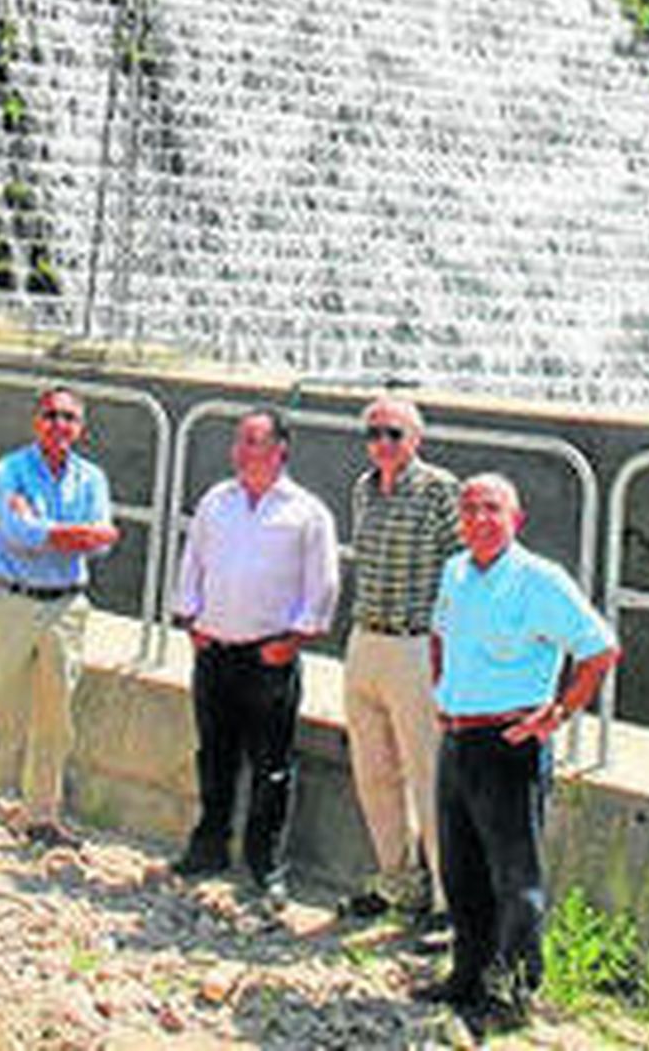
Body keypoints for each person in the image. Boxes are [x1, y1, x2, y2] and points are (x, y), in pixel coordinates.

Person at [419, 473, 620, 1028]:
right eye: (470, 510)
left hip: (510, 744)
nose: (480, 519)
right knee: (461, 870)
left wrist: (556, 714)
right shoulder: (456, 571)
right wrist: (442, 690)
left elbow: (600, 649)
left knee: (515, 877)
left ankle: (512, 992)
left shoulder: (540, 579)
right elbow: (439, 633)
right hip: (457, 738)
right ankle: (467, 975)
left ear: (516, 519)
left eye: (492, 509)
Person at [171, 408, 340, 905]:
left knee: (270, 765)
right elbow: (192, 560)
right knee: (214, 755)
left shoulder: (307, 512)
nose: (241, 451)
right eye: (239, 441)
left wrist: (297, 638)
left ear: (279, 449)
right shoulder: (215, 501)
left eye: (252, 441)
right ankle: (209, 846)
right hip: (214, 648)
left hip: (268, 657)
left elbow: (324, 581)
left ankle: (265, 863)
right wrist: (189, 618)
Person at [0, 386, 119, 853]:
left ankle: (42, 817)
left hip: (66, 607)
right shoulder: (9, 470)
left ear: (80, 428)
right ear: (36, 421)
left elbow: (104, 541)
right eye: (50, 415)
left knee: (55, 718)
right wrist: (73, 533)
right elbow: (16, 533)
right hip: (12, 602)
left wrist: (45, 529)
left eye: (69, 418)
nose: (59, 425)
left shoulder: (92, 478)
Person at [341, 395, 459, 925]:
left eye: (392, 433)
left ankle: (447, 900)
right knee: (373, 772)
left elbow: (459, 573)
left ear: (415, 439)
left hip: (416, 645)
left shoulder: (439, 491)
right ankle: (398, 882)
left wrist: (447, 650)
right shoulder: (363, 491)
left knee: (427, 774)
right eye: (374, 433)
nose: (381, 443)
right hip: (366, 637)